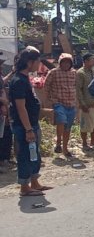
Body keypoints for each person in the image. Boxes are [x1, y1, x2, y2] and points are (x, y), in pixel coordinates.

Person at [9, 46, 52, 196]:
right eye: (37, 61)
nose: (39, 64)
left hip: (31, 124)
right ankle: (24, 187)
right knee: (26, 155)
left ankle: (35, 182)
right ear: (29, 62)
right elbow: (21, 107)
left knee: (34, 154)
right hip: (24, 126)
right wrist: (28, 129)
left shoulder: (25, 78)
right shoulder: (18, 81)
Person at [44, 53, 76, 158]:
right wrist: (48, 99)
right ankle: (58, 142)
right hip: (58, 102)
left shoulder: (74, 73)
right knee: (61, 121)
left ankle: (65, 148)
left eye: (68, 62)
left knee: (68, 128)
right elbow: (46, 85)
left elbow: (76, 86)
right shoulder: (53, 72)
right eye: (64, 62)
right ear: (60, 62)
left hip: (71, 103)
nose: (66, 64)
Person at [76, 53, 94, 151]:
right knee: (85, 125)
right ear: (85, 61)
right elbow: (78, 89)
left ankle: (93, 141)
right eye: (92, 59)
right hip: (86, 103)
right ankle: (84, 143)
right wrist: (82, 103)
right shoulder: (81, 73)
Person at [0, 57, 12, 173]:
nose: (2, 66)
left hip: (3, 112)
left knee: (6, 134)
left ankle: (5, 158)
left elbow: (3, 84)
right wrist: (3, 101)